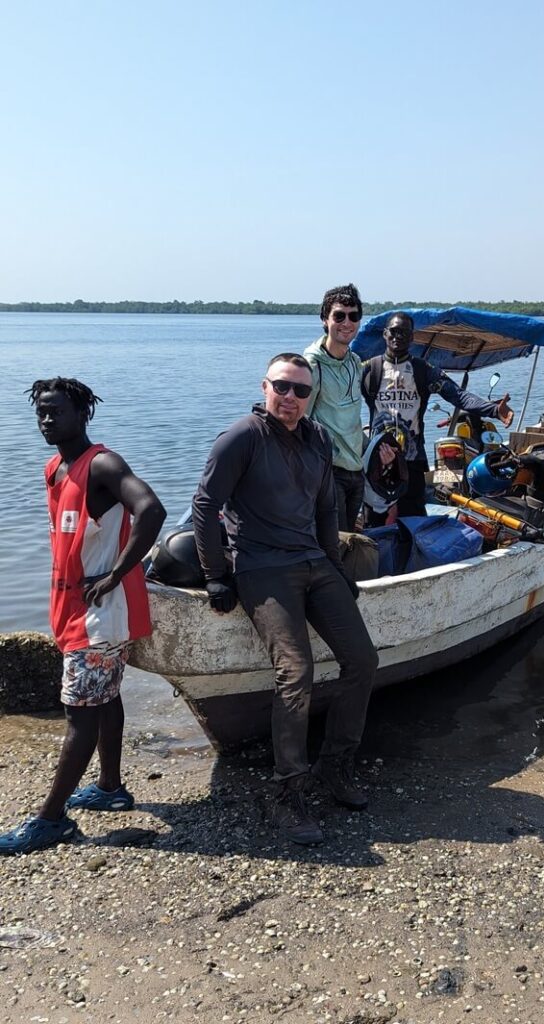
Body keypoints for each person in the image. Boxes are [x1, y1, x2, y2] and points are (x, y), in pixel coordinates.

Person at [191, 353, 378, 846]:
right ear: (265, 386)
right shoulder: (242, 437)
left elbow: (325, 508)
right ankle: (286, 790)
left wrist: (338, 569)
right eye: (282, 387)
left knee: (362, 659)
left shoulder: (318, 437)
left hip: (315, 563)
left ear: (311, 396)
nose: (290, 398)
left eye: (300, 390)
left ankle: (335, 766)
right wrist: (216, 575)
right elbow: (205, 506)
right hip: (262, 568)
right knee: (296, 672)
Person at [0, 378, 166, 856]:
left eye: (57, 412)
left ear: (81, 415)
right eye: (42, 413)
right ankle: (111, 788)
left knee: (80, 713)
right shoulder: (56, 467)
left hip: (100, 613)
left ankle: (51, 819)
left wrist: (116, 573)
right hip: (75, 607)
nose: (47, 420)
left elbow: (151, 509)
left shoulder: (103, 465)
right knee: (105, 697)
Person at [361, 312, 515, 522]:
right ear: (385, 334)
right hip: (377, 461)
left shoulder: (423, 370)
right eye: (394, 332)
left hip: (411, 463)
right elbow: (341, 402)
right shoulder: (369, 370)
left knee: (413, 522)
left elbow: (458, 395)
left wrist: (494, 410)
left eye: (404, 332)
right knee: (374, 523)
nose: (398, 337)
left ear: (412, 337)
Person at [303, 283, 366, 532]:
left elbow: (350, 420)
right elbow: (298, 421)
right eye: (339, 316)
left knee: (349, 539)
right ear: (324, 320)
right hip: (329, 472)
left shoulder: (355, 363)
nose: (346, 323)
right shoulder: (311, 366)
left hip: (356, 469)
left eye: (353, 316)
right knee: (336, 544)